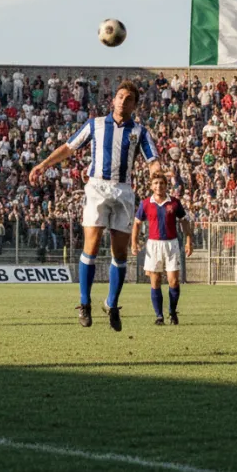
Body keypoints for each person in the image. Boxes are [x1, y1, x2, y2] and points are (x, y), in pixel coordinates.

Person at [29, 81, 160, 331]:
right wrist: (44, 164)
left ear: (134, 105)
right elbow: (69, 147)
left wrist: (158, 171)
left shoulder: (140, 132)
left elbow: (152, 159)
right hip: (97, 187)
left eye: (129, 98)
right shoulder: (95, 124)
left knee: (119, 254)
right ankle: (85, 303)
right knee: (92, 243)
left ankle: (111, 304)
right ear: (113, 100)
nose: (123, 101)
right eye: (120, 96)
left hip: (124, 190)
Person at [131, 173, 193, 326]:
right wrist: (134, 242)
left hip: (171, 244)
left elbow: (184, 222)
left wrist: (189, 241)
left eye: (161, 183)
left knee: (173, 281)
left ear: (166, 185)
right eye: (156, 183)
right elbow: (137, 224)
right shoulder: (145, 203)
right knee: (155, 281)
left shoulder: (174, 203)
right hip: (153, 245)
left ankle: (172, 312)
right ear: (151, 186)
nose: (159, 186)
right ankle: (159, 316)